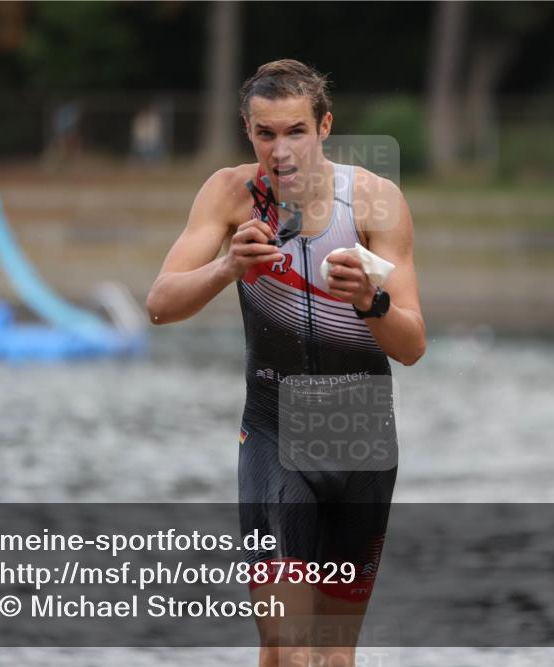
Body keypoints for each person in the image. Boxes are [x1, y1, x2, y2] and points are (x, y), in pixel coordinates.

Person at [146, 59, 425, 667]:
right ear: (249, 132)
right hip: (274, 429)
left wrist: (369, 301)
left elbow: (411, 346)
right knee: (285, 643)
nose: (282, 151)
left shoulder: (377, 202)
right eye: (266, 134)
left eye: (295, 131)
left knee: (331, 652)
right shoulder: (228, 194)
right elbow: (159, 306)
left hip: (360, 433)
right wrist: (227, 268)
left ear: (324, 126)